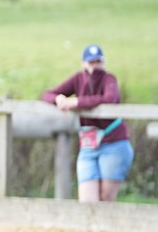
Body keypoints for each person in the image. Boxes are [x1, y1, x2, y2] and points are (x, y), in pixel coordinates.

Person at [41, 44, 133, 203]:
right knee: (87, 201)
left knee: (106, 199)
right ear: (84, 64)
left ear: (103, 62)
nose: (95, 66)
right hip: (88, 146)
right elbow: (47, 94)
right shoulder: (78, 79)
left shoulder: (109, 79)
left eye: (98, 62)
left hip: (113, 143)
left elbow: (109, 98)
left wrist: (77, 102)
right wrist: (58, 99)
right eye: (91, 62)